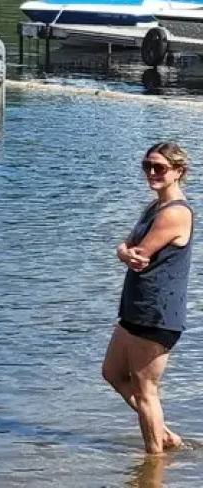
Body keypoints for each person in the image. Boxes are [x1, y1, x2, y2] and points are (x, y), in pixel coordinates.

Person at [103, 141, 194, 455]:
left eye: (160, 168)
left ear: (178, 172)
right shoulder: (154, 207)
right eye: (147, 166)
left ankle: (153, 464)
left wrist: (126, 253)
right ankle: (166, 437)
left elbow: (138, 254)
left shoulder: (176, 213)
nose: (152, 173)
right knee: (112, 373)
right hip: (135, 308)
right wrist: (122, 252)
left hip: (157, 313)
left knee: (146, 392)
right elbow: (124, 248)